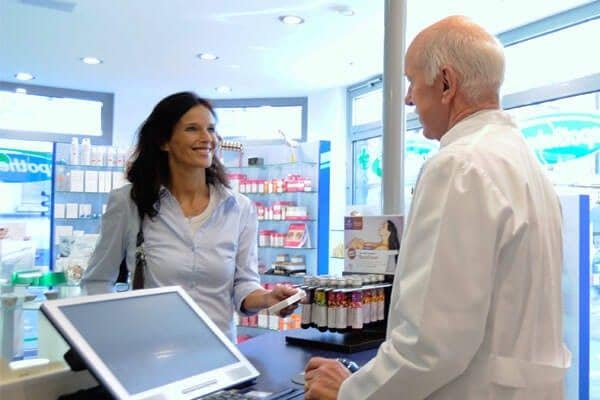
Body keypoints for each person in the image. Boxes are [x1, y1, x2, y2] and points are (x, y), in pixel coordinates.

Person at [304, 15, 571, 400]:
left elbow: (432, 343)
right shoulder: (523, 163)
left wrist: (350, 392)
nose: (408, 98)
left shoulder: (460, 165)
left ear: (446, 83)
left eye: (412, 81)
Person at [81, 92, 298, 342]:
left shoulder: (239, 208)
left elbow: (244, 284)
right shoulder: (130, 202)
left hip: (220, 354)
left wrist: (268, 298)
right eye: (192, 129)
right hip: (152, 351)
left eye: (211, 129)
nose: (207, 138)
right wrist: (114, 335)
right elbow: (97, 280)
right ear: (164, 141)